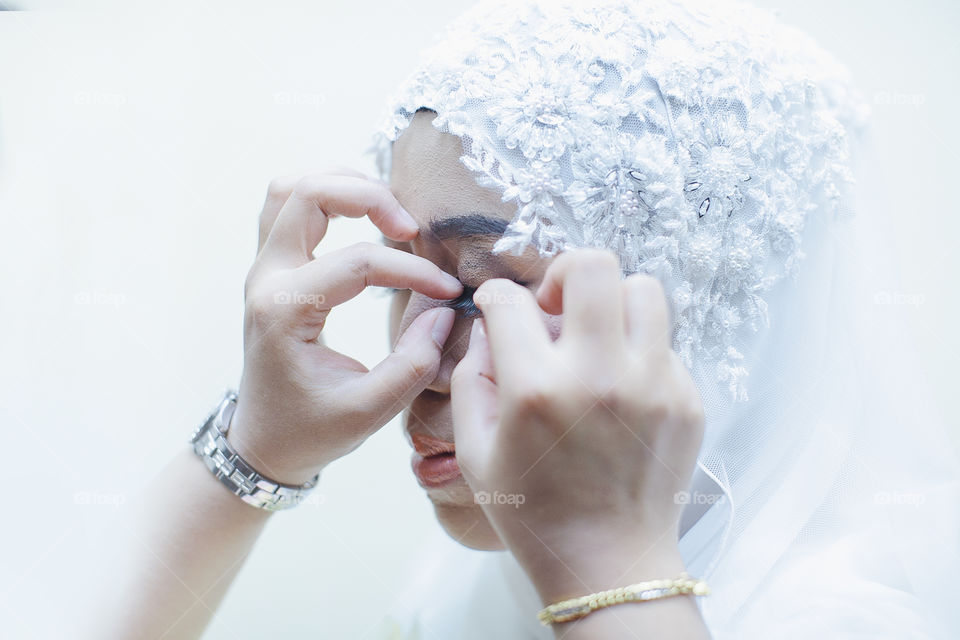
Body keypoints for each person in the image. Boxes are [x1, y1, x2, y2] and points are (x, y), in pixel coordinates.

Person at [79, 0, 960, 638]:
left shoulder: (850, 619)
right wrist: (256, 450)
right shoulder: (483, 582)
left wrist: (610, 571)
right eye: (403, 280)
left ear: (706, 309)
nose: (416, 368)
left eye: (481, 292)